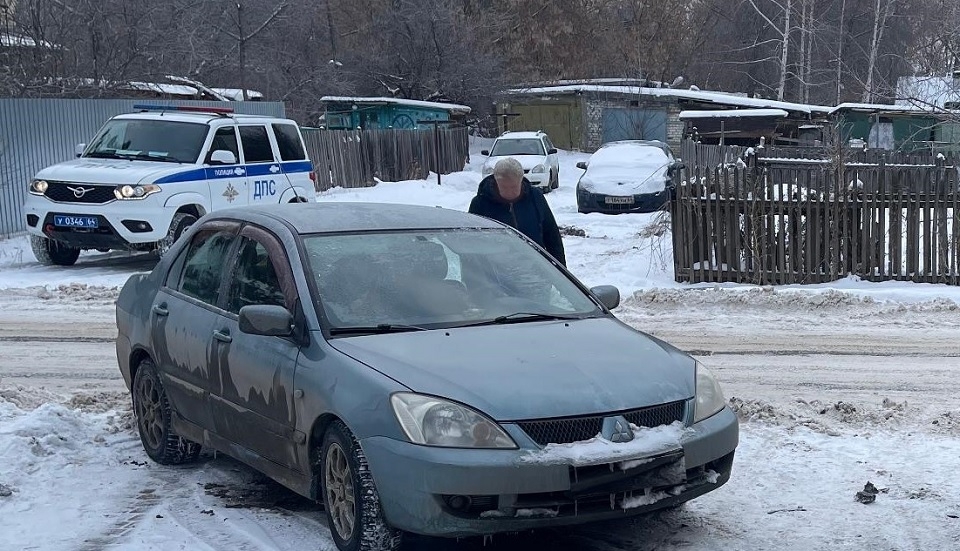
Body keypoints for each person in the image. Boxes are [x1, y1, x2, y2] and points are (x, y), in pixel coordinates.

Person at [468, 157, 566, 266]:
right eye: (504, 187)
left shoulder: (535, 198)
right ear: (496, 181)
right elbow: (472, 245)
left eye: (514, 187)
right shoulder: (480, 204)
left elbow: (552, 237)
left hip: (535, 269)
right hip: (495, 273)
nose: (509, 192)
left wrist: (562, 272)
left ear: (521, 180)